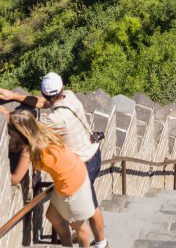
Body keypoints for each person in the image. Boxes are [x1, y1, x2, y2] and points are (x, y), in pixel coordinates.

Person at [0, 74, 107, 248]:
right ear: (62, 88)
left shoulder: (54, 121)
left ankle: (100, 244)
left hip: (81, 168)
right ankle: (89, 242)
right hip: (91, 153)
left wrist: (5, 112)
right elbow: (42, 105)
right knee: (55, 216)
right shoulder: (70, 97)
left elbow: (24, 124)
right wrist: (12, 96)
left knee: (86, 215)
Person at [8, 111, 98, 248]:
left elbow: (15, 179)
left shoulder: (30, 150)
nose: (10, 136)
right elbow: (15, 117)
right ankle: (67, 245)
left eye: (12, 133)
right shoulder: (41, 130)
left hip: (73, 187)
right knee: (53, 216)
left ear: (21, 133)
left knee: (80, 227)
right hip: (73, 174)